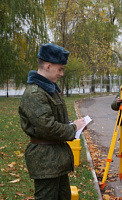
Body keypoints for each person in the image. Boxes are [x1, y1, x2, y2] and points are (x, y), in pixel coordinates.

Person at [18, 43, 86, 200]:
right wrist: (73, 128)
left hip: (56, 159)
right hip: (45, 161)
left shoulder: (49, 89)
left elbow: (53, 120)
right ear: (48, 66)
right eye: (60, 69)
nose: (61, 74)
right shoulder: (35, 94)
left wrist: (74, 125)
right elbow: (47, 128)